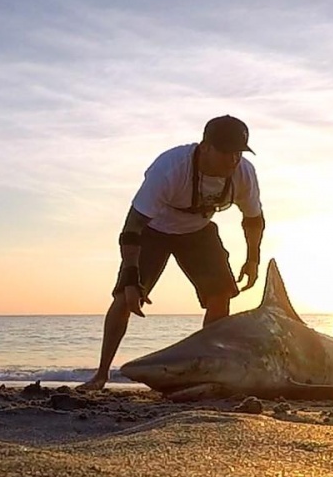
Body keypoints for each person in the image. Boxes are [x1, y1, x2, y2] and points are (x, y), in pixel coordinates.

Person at [77, 115, 265, 391]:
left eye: (238, 152)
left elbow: (253, 220)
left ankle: (208, 371)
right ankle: (101, 374)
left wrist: (252, 259)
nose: (233, 160)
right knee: (123, 299)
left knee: (221, 296)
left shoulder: (243, 173)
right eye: (226, 152)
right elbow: (132, 227)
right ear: (206, 147)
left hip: (198, 231)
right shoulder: (170, 168)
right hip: (153, 230)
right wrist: (131, 276)